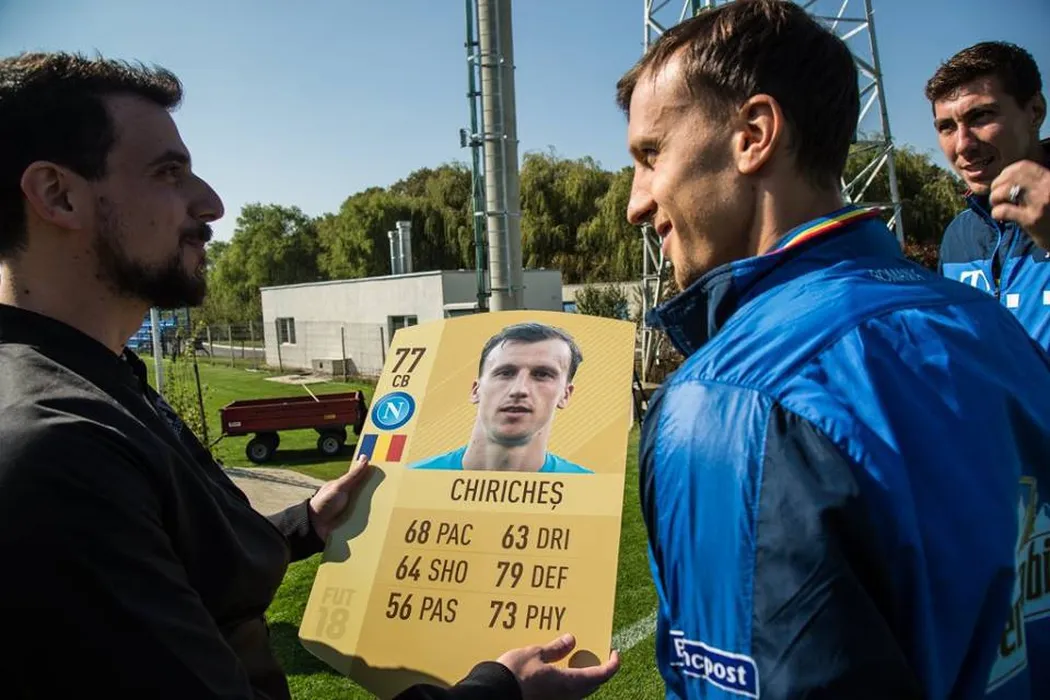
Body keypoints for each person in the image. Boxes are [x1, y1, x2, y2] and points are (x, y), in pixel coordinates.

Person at [0, 52, 619, 699]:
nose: (211, 203)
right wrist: (498, 690)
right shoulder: (54, 447)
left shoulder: (99, 381)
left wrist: (307, 525)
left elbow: (179, 560)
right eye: (168, 173)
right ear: (58, 195)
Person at [617, 1, 1050, 698]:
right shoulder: (992, 327)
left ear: (754, 135)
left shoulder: (732, 396)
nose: (636, 202)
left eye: (650, 155)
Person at [929, 41, 1050, 349]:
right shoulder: (958, 236)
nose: (963, 145)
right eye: (947, 127)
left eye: (981, 116)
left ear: (1035, 112)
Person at [409, 322, 592, 474]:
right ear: (476, 390)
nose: (519, 389)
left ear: (565, 395)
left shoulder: (587, 490)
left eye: (542, 374)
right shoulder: (411, 483)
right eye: (505, 373)